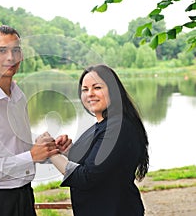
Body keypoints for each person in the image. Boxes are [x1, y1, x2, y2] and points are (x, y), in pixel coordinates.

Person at [0, 25, 71, 216]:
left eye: (16, 50)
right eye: (2, 50)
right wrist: (31, 156)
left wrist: (46, 149)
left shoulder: (18, 96)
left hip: (25, 197)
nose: (10, 57)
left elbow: (15, 149)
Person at [51, 64, 149, 216]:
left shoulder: (118, 128)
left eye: (97, 88)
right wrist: (66, 152)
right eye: (85, 89)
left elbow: (86, 177)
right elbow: (97, 165)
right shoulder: (104, 125)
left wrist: (51, 154)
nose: (89, 94)